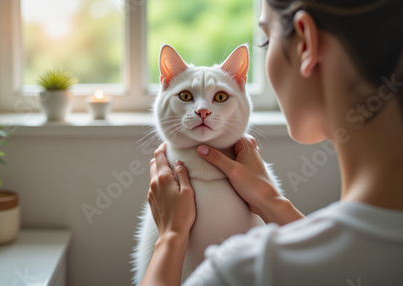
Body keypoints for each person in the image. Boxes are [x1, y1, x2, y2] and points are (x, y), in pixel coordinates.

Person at [141, 0, 403, 285]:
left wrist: (170, 237)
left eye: (266, 39)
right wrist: (272, 202)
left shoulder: (244, 270)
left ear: (305, 43)